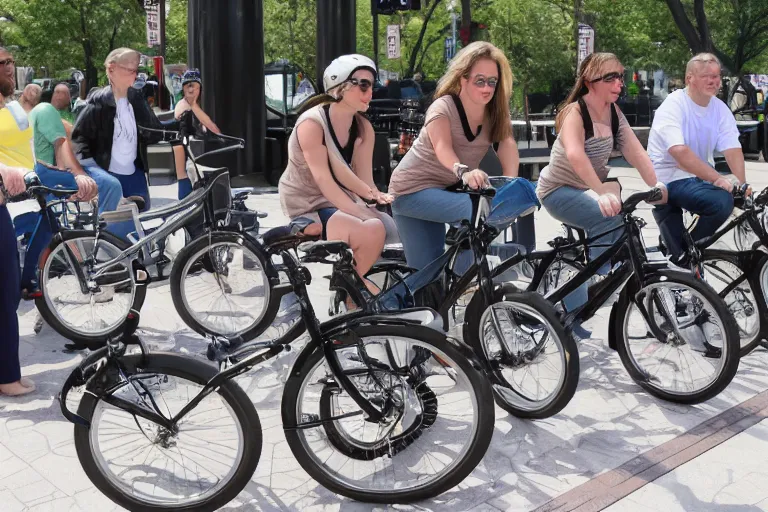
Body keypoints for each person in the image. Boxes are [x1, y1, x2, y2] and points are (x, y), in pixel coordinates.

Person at [536, 52, 666, 335]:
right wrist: (600, 192)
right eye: (610, 77)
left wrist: (658, 184)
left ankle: (585, 287)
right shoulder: (575, 112)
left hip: (585, 189)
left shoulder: (614, 112)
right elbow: (575, 155)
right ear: (589, 81)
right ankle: (592, 282)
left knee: (624, 222)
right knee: (608, 220)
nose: (619, 82)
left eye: (620, 75)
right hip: (556, 190)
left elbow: (635, 152)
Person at [388, 41, 519, 270]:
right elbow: (442, 148)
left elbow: (507, 145)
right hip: (410, 191)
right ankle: (465, 257)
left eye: (492, 82)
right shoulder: (443, 107)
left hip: (445, 192)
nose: (487, 88)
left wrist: (510, 183)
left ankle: (465, 262)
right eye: (480, 81)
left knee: (431, 276)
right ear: (463, 79)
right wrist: (464, 172)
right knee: (478, 210)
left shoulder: (495, 112)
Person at [278, 54, 395, 296]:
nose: (370, 91)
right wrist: (363, 212)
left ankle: (350, 283)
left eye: (373, 84)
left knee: (389, 228)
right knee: (371, 227)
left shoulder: (363, 127)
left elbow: (364, 181)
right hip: (308, 202)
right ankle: (352, 290)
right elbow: (324, 180)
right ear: (338, 86)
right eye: (362, 84)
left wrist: (374, 199)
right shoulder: (311, 124)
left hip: (339, 199)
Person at [648, 53, 745, 264]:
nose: (714, 81)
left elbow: (732, 148)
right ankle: (685, 251)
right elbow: (680, 153)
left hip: (697, 178)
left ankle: (684, 249)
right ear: (689, 78)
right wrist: (718, 179)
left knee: (741, 201)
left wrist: (742, 184)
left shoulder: (719, 108)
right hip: (669, 178)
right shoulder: (673, 105)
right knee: (720, 202)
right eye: (706, 76)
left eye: (717, 76)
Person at [72, 47, 166, 221]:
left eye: (135, 70)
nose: (134, 75)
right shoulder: (98, 103)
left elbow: (155, 130)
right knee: (114, 225)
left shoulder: (136, 100)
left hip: (134, 172)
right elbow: (78, 140)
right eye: (129, 70)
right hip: (110, 172)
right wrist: (93, 173)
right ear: (111, 69)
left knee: (142, 222)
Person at [173, 69, 220, 200]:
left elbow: (210, 127)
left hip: (195, 156)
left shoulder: (194, 106)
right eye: (189, 86)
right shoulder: (185, 106)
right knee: (187, 192)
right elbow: (212, 127)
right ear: (183, 88)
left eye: (196, 86)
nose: (192, 90)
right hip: (186, 156)